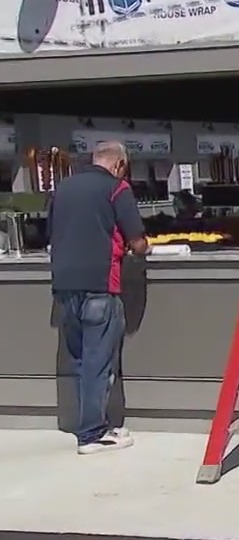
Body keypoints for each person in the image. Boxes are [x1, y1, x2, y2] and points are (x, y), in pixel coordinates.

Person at [48, 140, 148, 455]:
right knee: (98, 361)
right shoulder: (117, 189)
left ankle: (87, 424)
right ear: (119, 164)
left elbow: (50, 232)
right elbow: (138, 242)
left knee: (80, 359)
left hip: (64, 287)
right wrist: (144, 248)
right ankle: (92, 434)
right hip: (100, 285)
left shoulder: (62, 189)